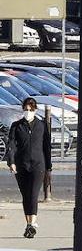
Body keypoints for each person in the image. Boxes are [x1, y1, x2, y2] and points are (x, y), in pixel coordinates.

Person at [6, 98, 50, 238]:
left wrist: (48, 166)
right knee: (25, 195)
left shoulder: (42, 125)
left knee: (33, 194)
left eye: (31, 110)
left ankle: (32, 223)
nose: (28, 112)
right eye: (25, 109)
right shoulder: (16, 126)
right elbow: (11, 145)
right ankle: (28, 223)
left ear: (35, 110)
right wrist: (11, 162)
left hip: (38, 165)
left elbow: (46, 146)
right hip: (21, 164)